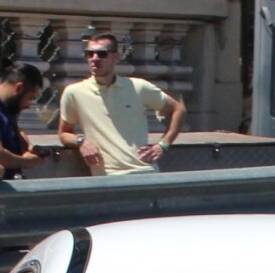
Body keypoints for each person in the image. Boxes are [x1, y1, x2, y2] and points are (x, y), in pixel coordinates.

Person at [56, 34, 181, 176]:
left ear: (116, 57)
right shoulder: (74, 92)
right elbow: (64, 133)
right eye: (90, 53)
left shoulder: (138, 87)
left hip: (145, 173)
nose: (95, 58)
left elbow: (178, 110)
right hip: (108, 178)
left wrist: (163, 145)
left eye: (102, 54)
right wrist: (81, 141)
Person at [0, 65, 51, 177]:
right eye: (30, 98)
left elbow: (10, 128)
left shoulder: (7, 107)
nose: (28, 106)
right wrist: (26, 162)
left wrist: (27, 145)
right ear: (19, 88)